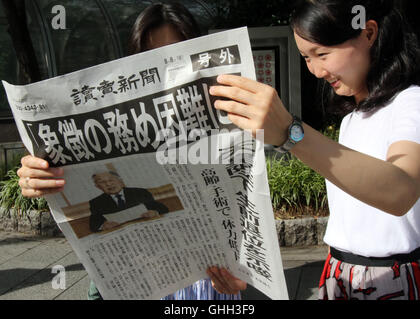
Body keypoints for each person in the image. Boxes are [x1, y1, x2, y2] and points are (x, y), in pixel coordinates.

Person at [17, 2, 246, 300]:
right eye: (151, 58)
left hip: (208, 282)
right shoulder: (111, 121)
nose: (165, 70)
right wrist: (36, 175)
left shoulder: (226, 109)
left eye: (175, 56)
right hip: (138, 278)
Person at [210, 0, 420, 300]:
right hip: (338, 272)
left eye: (322, 54)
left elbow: (402, 189)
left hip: (391, 279)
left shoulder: (410, 102)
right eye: (306, 57)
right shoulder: (350, 120)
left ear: (369, 33)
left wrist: (290, 133)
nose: (316, 71)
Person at [89, 171, 168, 232]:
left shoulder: (140, 192)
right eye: (102, 182)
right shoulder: (96, 202)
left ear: (120, 180)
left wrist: (154, 212)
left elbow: (163, 208)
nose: (108, 184)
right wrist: (103, 225)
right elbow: (94, 224)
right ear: (98, 186)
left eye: (111, 179)